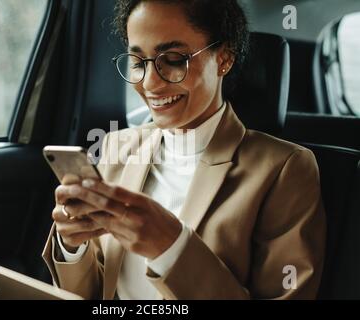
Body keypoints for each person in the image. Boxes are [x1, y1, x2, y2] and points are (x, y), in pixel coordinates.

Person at [42, 0, 326, 300]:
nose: (150, 84)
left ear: (224, 59)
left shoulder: (285, 168)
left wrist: (172, 248)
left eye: (174, 59)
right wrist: (73, 247)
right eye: (139, 63)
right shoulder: (117, 146)